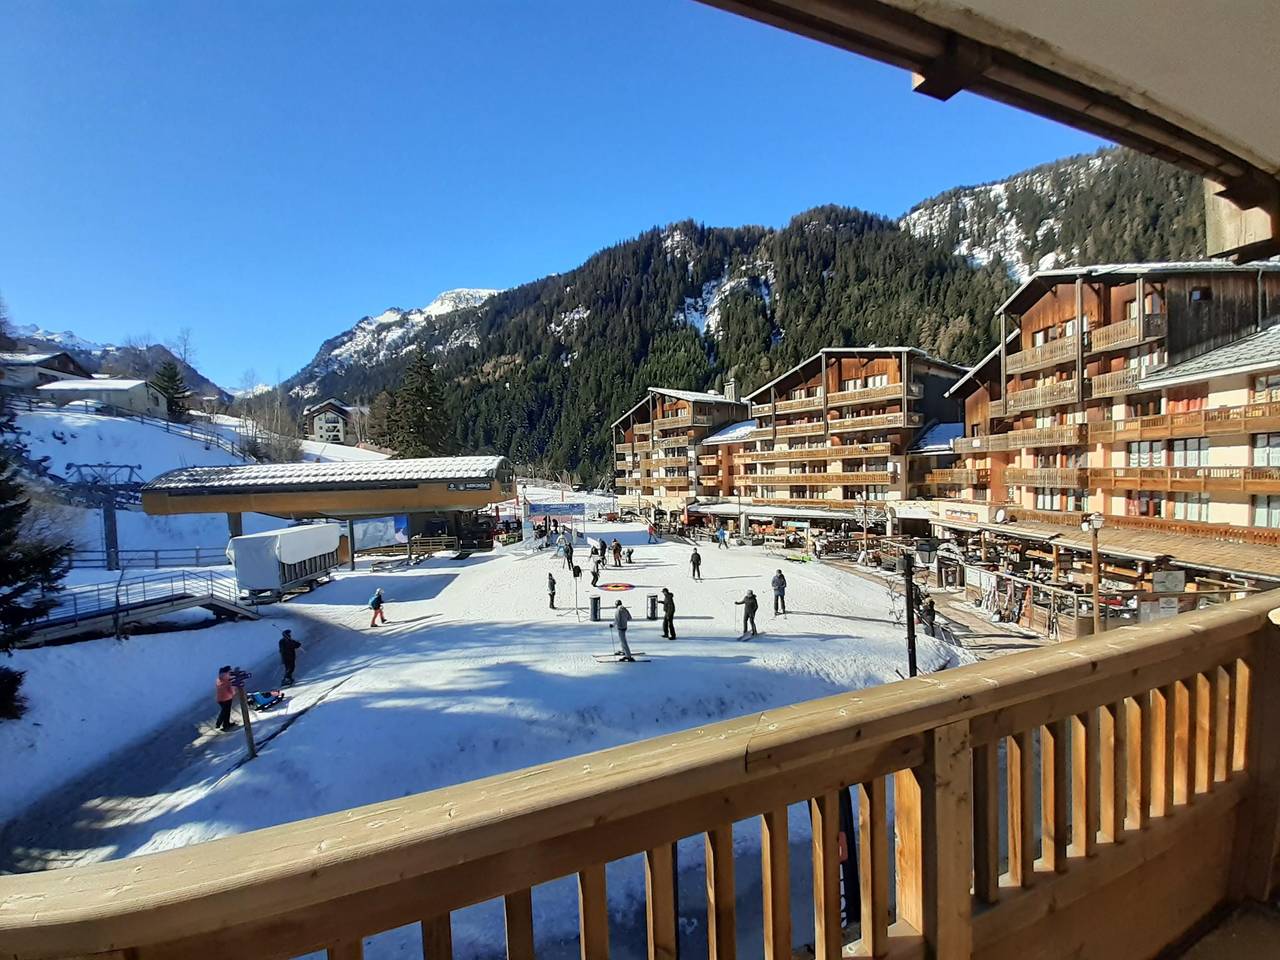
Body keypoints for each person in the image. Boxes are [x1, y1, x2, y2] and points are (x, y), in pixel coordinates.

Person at [215, 665, 237, 731]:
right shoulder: (227, 679)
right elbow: (230, 688)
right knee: (226, 712)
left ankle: (225, 724)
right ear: (227, 671)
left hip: (219, 698)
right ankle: (220, 723)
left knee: (225, 711)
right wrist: (233, 693)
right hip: (227, 698)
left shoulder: (218, 679)